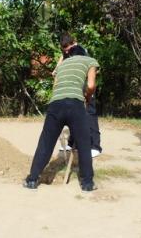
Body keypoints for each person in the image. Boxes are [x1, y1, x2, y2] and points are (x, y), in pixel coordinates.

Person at [24, 33, 99, 191]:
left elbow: (56, 83)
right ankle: (87, 183)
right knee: (84, 143)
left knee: (46, 142)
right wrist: (87, 97)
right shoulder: (89, 61)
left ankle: (32, 179)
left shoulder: (62, 65)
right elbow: (91, 85)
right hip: (75, 104)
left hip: (56, 104)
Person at [54, 36, 102, 158]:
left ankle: (95, 146)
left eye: (67, 48)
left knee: (90, 114)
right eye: (63, 49)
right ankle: (72, 143)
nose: (65, 51)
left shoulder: (82, 52)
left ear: (75, 43)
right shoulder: (67, 53)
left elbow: (93, 71)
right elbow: (59, 65)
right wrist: (57, 71)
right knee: (74, 115)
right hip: (72, 88)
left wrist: (87, 92)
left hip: (85, 86)